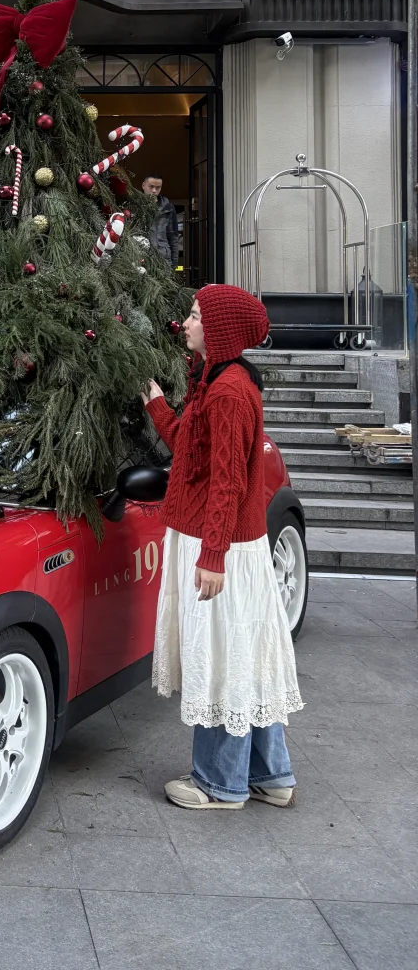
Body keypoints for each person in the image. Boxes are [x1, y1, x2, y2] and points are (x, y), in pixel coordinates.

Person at [140, 284, 303, 809]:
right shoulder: (217, 381)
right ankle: (271, 776)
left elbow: (227, 483)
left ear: (220, 329)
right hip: (228, 545)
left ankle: (219, 783)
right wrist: (157, 405)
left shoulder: (229, 391)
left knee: (220, 656)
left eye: (194, 316)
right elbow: (193, 452)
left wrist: (212, 557)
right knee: (245, 655)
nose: (185, 323)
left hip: (221, 548)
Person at [141, 175, 180, 269]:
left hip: (163, 259)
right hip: (141, 258)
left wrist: (174, 264)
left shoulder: (168, 208)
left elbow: (173, 237)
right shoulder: (135, 206)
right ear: (143, 185)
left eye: (158, 188)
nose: (154, 191)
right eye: (151, 187)